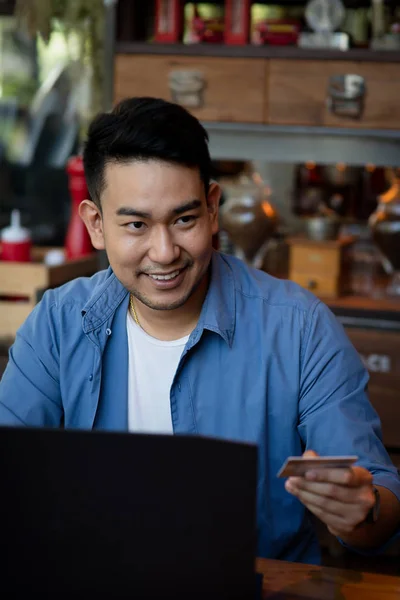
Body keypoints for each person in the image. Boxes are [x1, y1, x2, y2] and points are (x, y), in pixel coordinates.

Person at [0, 97, 399, 564]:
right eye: (136, 225)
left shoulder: (299, 328)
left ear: (212, 209)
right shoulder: (58, 324)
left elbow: (379, 501)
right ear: (96, 224)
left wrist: (361, 511)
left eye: (184, 219)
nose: (165, 251)